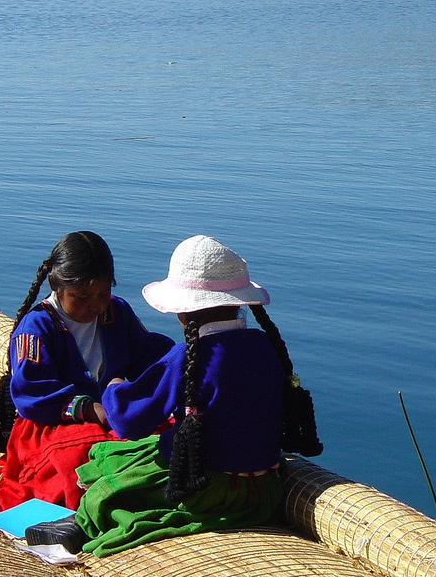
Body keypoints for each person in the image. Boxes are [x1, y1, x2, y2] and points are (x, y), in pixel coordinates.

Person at [25, 234, 322, 556]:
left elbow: (126, 422)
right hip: (265, 488)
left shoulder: (185, 359)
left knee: (109, 486)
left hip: (205, 486)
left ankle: (82, 525)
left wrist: (114, 390)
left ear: (182, 312)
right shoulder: (267, 348)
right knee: (121, 455)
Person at [0, 231, 174, 513]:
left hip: (110, 413)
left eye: (103, 294)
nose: (95, 305)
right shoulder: (37, 328)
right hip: (51, 422)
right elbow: (31, 394)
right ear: (57, 287)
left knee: (164, 439)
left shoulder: (116, 313)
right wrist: (88, 409)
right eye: (82, 296)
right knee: (81, 457)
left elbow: (148, 355)